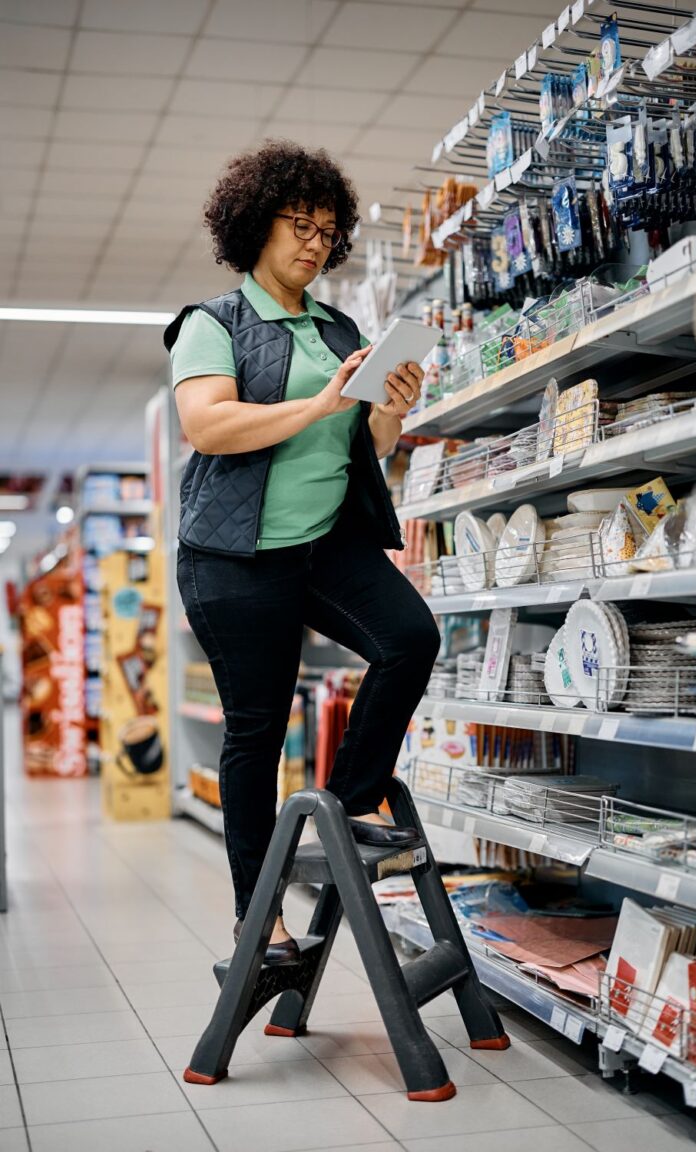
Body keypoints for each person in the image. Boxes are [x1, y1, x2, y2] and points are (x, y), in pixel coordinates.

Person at [164, 140, 441, 963]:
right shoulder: (214, 324)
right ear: (257, 224)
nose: (316, 242)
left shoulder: (339, 326)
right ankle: (262, 924)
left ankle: (351, 802)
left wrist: (390, 408)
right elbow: (207, 425)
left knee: (410, 639)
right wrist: (322, 400)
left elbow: (366, 443)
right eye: (300, 224)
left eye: (328, 229)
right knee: (257, 729)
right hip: (232, 558)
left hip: (324, 545)